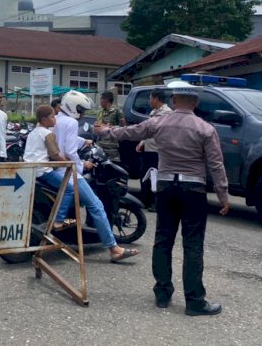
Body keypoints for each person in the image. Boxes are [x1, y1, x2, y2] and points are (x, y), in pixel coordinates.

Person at [95, 83, 230, 316]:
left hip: (166, 187)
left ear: (175, 101)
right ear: (195, 103)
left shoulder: (159, 122)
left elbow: (130, 132)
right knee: (193, 245)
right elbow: (216, 165)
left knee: (163, 240)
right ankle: (195, 301)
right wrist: (223, 195)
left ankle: (162, 294)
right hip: (193, 189)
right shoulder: (205, 128)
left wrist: (106, 131)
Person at [51, 91, 139, 262]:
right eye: (81, 109)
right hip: (68, 172)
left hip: (55, 169)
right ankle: (114, 249)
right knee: (96, 206)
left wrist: (84, 141)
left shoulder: (56, 119)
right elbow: (69, 151)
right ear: (73, 107)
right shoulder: (70, 121)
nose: (83, 113)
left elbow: (61, 141)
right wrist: (82, 166)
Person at [137, 88, 172, 211]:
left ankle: (155, 203)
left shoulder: (167, 113)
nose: (149, 101)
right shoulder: (153, 112)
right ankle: (144, 201)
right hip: (148, 148)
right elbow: (148, 130)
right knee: (145, 175)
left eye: (151, 98)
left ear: (156, 99)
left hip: (158, 150)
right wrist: (142, 142)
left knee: (156, 177)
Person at [96, 91, 126, 163]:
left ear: (106, 100)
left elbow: (124, 128)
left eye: (101, 99)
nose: (100, 101)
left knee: (112, 166)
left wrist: (110, 127)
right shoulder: (100, 112)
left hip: (111, 147)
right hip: (100, 144)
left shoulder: (117, 111)